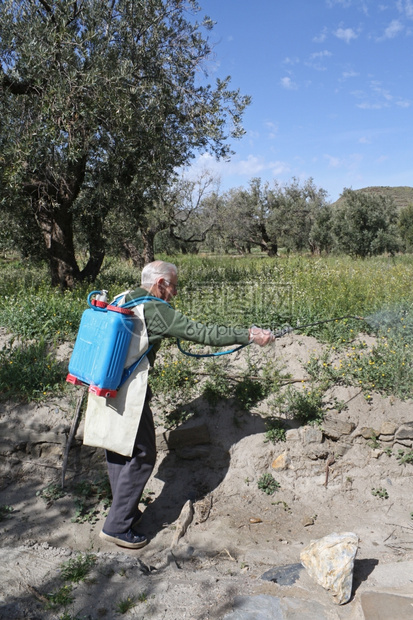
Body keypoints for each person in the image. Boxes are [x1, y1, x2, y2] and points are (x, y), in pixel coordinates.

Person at [99, 260, 274, 549]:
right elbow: (203, 333)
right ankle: (117, 527)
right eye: (174, 287)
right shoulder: (155, 308)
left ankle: (123, 514)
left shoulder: (123, 297)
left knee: (120, 450)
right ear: (160, 284)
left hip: (104, 386)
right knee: (142, 454)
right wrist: (249, 335)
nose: (175, 294)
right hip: (129, 392)